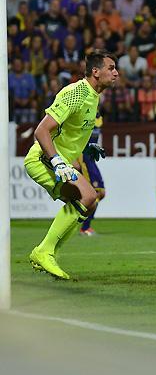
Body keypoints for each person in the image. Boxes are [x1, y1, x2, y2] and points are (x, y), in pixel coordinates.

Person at [26, 52, 119, 279]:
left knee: (89, 203)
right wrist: (57, 161)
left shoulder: (94, 96)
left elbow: (71, 131)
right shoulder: (76, 92)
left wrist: (87, 147)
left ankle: (48, 254)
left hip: (61, 160)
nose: (116, 73)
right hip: (43, 159)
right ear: (95, 71)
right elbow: (41, 131)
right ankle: (44, 251)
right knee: (88, 196)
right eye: (111, 68)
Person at [78, 113, 106, 236]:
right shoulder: (84, 113)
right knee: (96, 193)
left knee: (100, 193)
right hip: (83, 158)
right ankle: (85, 227)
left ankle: (84, 221)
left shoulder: (98, 116)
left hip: (90, 158)